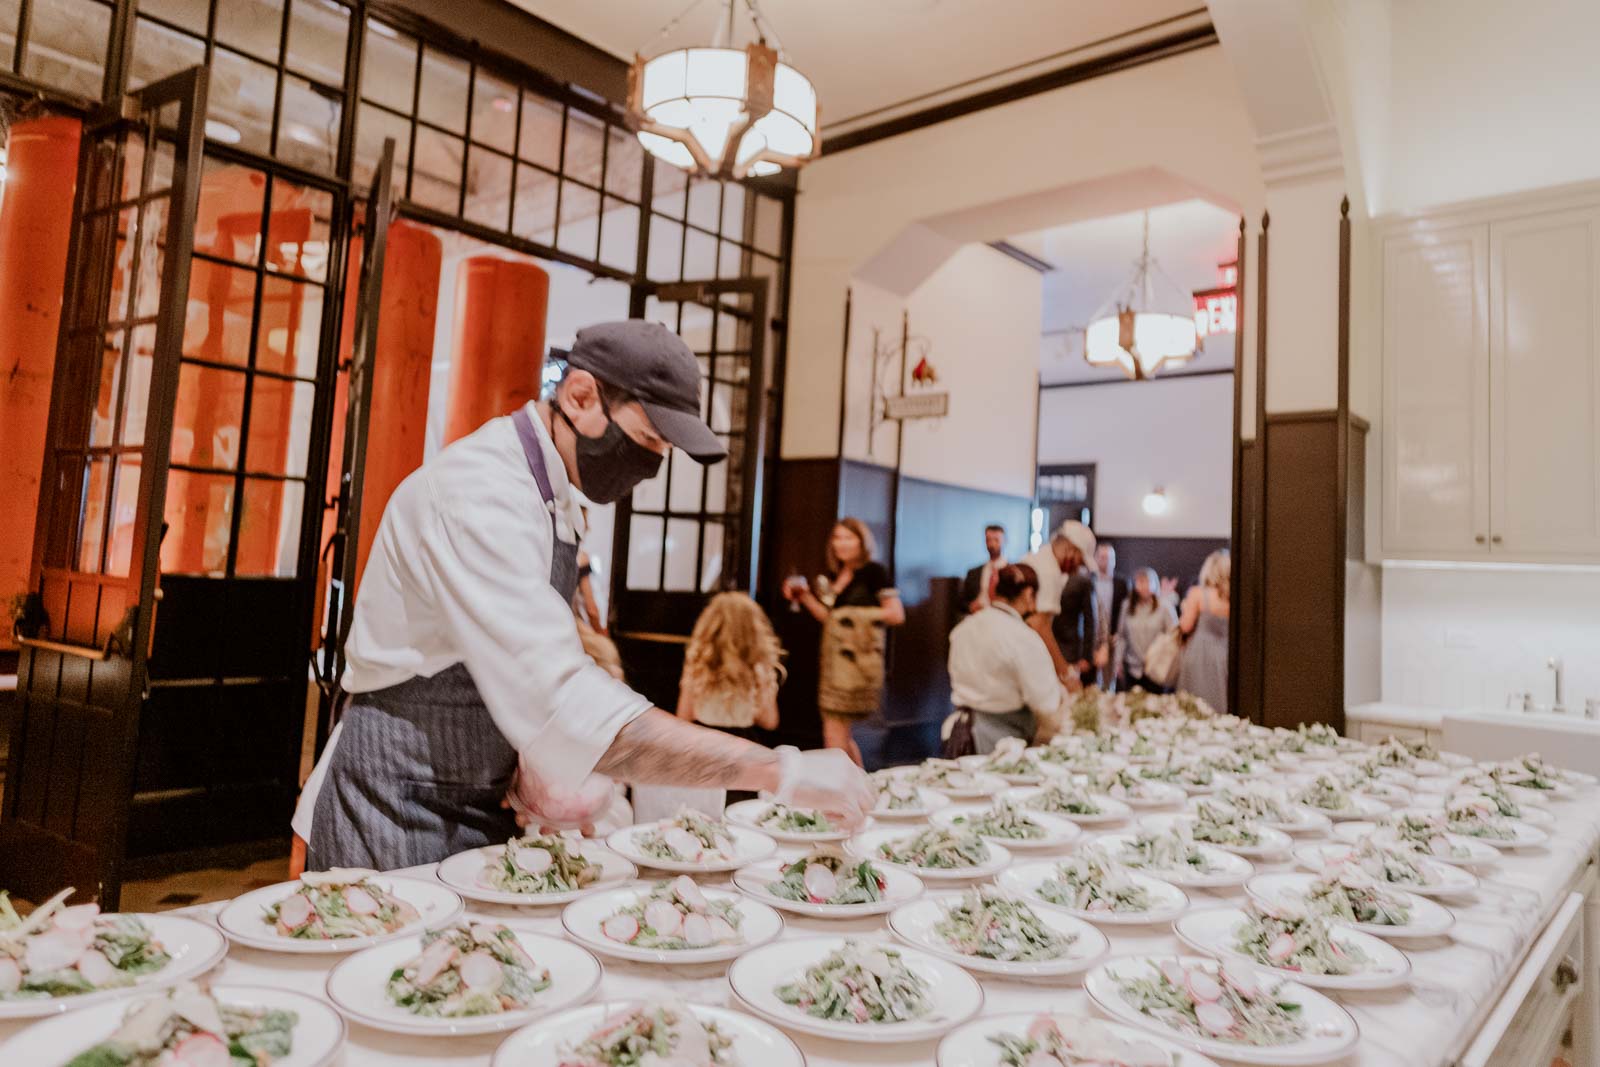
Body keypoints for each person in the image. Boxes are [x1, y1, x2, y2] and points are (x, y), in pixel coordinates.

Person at [295, 320, 872, 872]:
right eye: (647, 438)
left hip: (478, 803)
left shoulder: (552, 496)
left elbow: (512, 674)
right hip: (396, 805)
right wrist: (779, 771)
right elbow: (562, 704)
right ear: (579, 395)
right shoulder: (480, 492)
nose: (649, 465)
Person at [783, 518, 906, 766]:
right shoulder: (836, 574)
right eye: (837, 538)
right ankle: (860, 793)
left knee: (834, 738)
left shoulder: (874, 572)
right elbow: (830, 620)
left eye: (848, 538)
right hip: (832, 665)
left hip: (855, 665)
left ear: (862, 542)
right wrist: (805, 597)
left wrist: (853, 615)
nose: (841, 544)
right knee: (840, 737)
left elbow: (896, 613)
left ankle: (845, 796)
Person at [947, 563, 1065, 752]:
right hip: (1001, 744)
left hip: (957, 735)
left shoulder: (963, 629)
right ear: (1028, 594)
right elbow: (1046, 703)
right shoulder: (1023, 638)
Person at [1020, 520, 1099, 687]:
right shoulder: (1049, 572)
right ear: (1070, 549)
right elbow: (1039, 625)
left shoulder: (1039, 557)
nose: (1078, 569)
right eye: (1080, 560)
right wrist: (1065, 673)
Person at [1176, 549, 1231, 713]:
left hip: (1200, 655)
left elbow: (1185, 626)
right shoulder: (1233, 597)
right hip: (1225, 654)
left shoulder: (1198, 594)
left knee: (1194, 704)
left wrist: (1184, 609)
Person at [1116, 566, 1179, 693]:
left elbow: (1174, 637)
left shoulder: (1165, 607)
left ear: (1154, 584)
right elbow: (1121, 636)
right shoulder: (1127, 606)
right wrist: (1117, 662)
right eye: (1140, 582)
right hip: (1133, 668)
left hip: (1156, 669)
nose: (1144, 586)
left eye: (1147, 582)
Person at [1092, 542, 1128, 688]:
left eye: (1109, 558)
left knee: (1109, 680)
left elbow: (1125, 612)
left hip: (1113, 638)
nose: (1105, 561)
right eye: (1102, 557)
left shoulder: (1122, 583)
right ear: (1095, 558)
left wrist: (1117, 634)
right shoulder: (1089, 581)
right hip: (1092, 638)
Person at [958, 524, 1008, 615]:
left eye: (996, 540)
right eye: (988, 540)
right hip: (976, 618)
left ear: (1004, 541)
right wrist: (970, 607)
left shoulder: (1012, 572)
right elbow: (961, 602)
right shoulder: (973, 573)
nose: (992, 544)